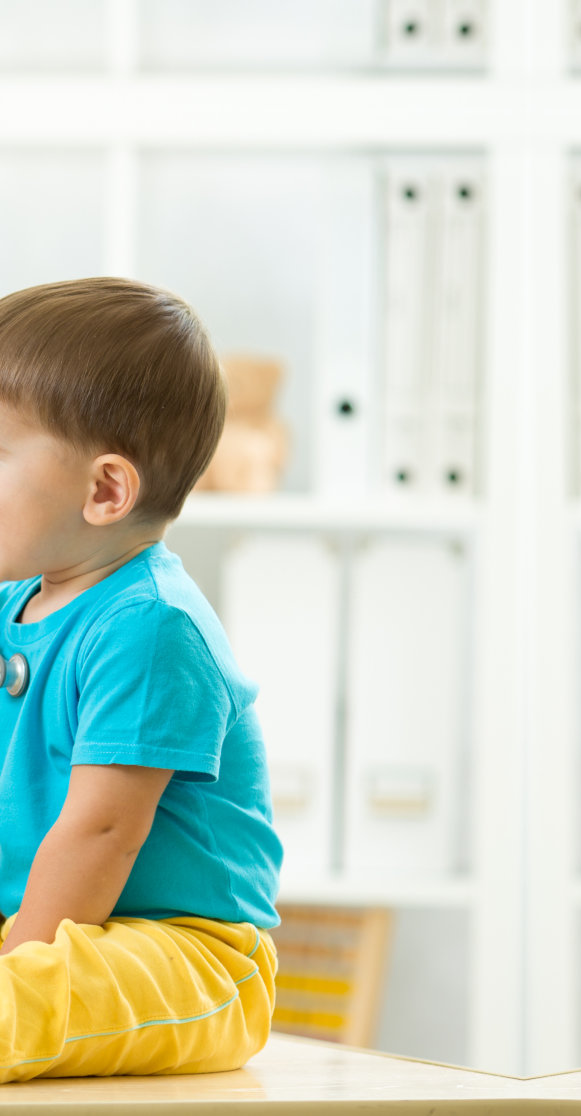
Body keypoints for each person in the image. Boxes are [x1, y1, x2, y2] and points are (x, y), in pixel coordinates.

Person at [0, 278, 281, 1082]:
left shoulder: (150, 627)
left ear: (105, 491)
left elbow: (101, 831)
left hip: (188, 949)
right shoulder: (19, 597)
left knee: (24, 1002)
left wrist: (19, 965)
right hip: (49, 920)